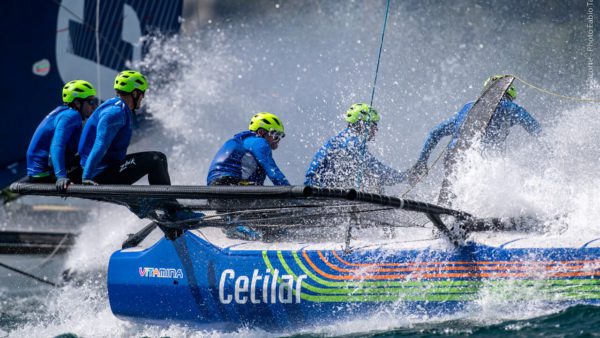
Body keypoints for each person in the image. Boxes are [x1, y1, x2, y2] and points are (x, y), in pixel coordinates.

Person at [410, 75, 542, 179]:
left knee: (452, 185)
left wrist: (422, 161)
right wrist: (551, 152)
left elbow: (435, 133)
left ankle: (443, 206)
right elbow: (536, 129)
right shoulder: (511, 108)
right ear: (511, 95)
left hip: (454, 155)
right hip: (483, 162)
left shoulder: (468, 107)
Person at [78, 70, 172, 186]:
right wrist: (86, 177)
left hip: (108, 167)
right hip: (99, 174)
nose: (143, 96)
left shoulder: (120, 108)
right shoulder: (115, 113)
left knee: (160, 157)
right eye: (142, 93)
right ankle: (167, 204)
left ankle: (163, 202)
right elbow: (100, 144)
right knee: (155, 159)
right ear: (135, 93)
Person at [304, 103, 408, 190]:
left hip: (320, 192)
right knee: (374, 179)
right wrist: (405, 177)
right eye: (374, 124)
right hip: (320, 197)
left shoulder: (342, 139)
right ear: (362, 124)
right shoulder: (351, 144)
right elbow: (379, 172)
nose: (376, 130)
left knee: (371, 180)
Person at [26, 80, 98, 192]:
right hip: (43, 174)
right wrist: (61, 177)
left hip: (41, 169)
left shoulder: (64, 112)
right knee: (95, 164)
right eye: (91, 102)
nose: (93, 107)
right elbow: (56, 146)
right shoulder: (71, 116)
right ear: (78, 103)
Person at [207, 112, 290, 186]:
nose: (278, 139)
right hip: (230, 184)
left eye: (281, 136)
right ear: (261, 132)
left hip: (214, 187)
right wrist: (291, 195)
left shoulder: (242, 141)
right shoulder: (259, 142)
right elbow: (273, 173)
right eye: (275, 135)